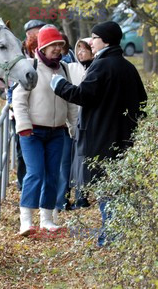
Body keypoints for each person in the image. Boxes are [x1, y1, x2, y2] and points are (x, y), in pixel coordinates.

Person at [50, 21, 147, 246]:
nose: (90, 41)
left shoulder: (101, 65)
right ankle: (115, 235)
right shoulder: (127, 66)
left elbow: (84, 95)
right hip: (124, 139)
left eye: (94, 37)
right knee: (117, 188)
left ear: (106, 40)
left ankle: (111, 238)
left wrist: (59, 85)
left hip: (101, 140)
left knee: (107, 190)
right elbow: (142, 101)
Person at [13, 25, 78, 236]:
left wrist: (73, 126)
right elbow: (19, 100)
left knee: (53, 175)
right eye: (53, 46)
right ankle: (26, 221)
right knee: (35, 173)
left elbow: (70, 102)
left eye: (60, 45)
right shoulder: (31, 67)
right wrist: (23, 126)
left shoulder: (64, 69)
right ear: (43, 46)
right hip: (31, 132)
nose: (57, 49)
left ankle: (47, 220)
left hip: (57, 133)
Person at [55, 37, 93, 217]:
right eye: (78, 49)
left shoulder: (96, 70)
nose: (80, 53)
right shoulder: (69, 68)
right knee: (65, 162)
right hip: (69, 122)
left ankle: (81, 196)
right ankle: (61, 199)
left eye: (84, 49)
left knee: (83, 161)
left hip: (89, 124)